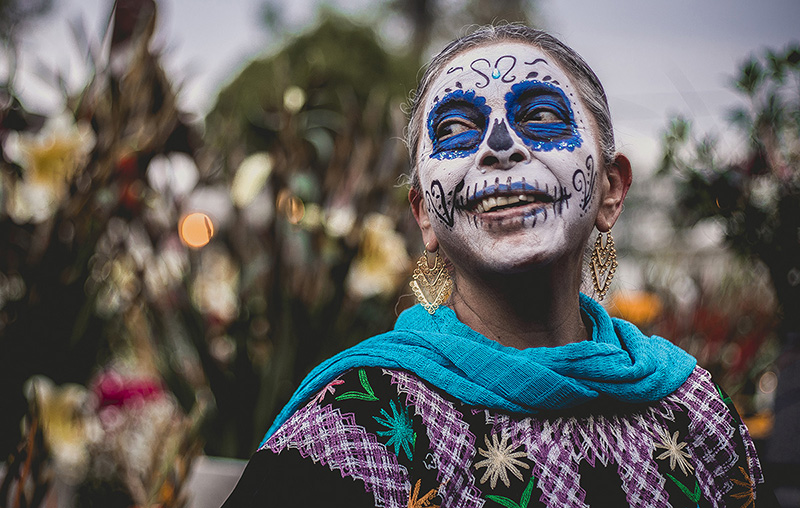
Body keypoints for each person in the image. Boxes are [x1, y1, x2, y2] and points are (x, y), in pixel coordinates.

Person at [222, 25, 766, 507]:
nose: (499, 146)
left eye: (542, 116)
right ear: (424, 216)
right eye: (457, 128)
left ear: (610, 188)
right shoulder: (355, 428)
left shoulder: (696, 413)